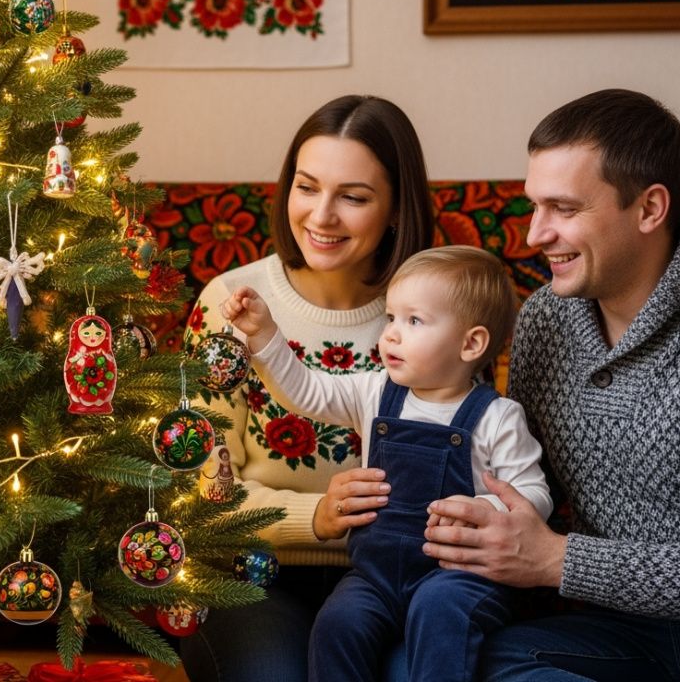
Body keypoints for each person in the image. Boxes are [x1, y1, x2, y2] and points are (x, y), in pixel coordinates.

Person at [421, 88, 680, 680]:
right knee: (433, 656)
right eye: (534, 206)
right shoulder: (544, 319)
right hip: (611, 632)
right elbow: (521, 484)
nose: (534, 235)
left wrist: (561, 561)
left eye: (563, 209)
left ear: (649, 208)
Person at [178, 94, 435, 681]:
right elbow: (200, 493)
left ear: (397, 207)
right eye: (306, 187)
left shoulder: (436, 309)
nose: (321, 216)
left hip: (394, 579)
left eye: (353, 197)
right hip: (251, 578)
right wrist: (316, 515)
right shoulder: (231, 304)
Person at [222, 246, 552, 681]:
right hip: (375, 575)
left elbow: (533, 494)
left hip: (458, 576)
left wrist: (485, 508)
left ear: (471, 343)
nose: (391, 335)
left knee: (440, 611)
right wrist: (265, 335)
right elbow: (306, 391)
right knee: (337, 624)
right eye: (391, 318)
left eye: (413, 321)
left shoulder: (496, 416)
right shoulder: (376, 392)